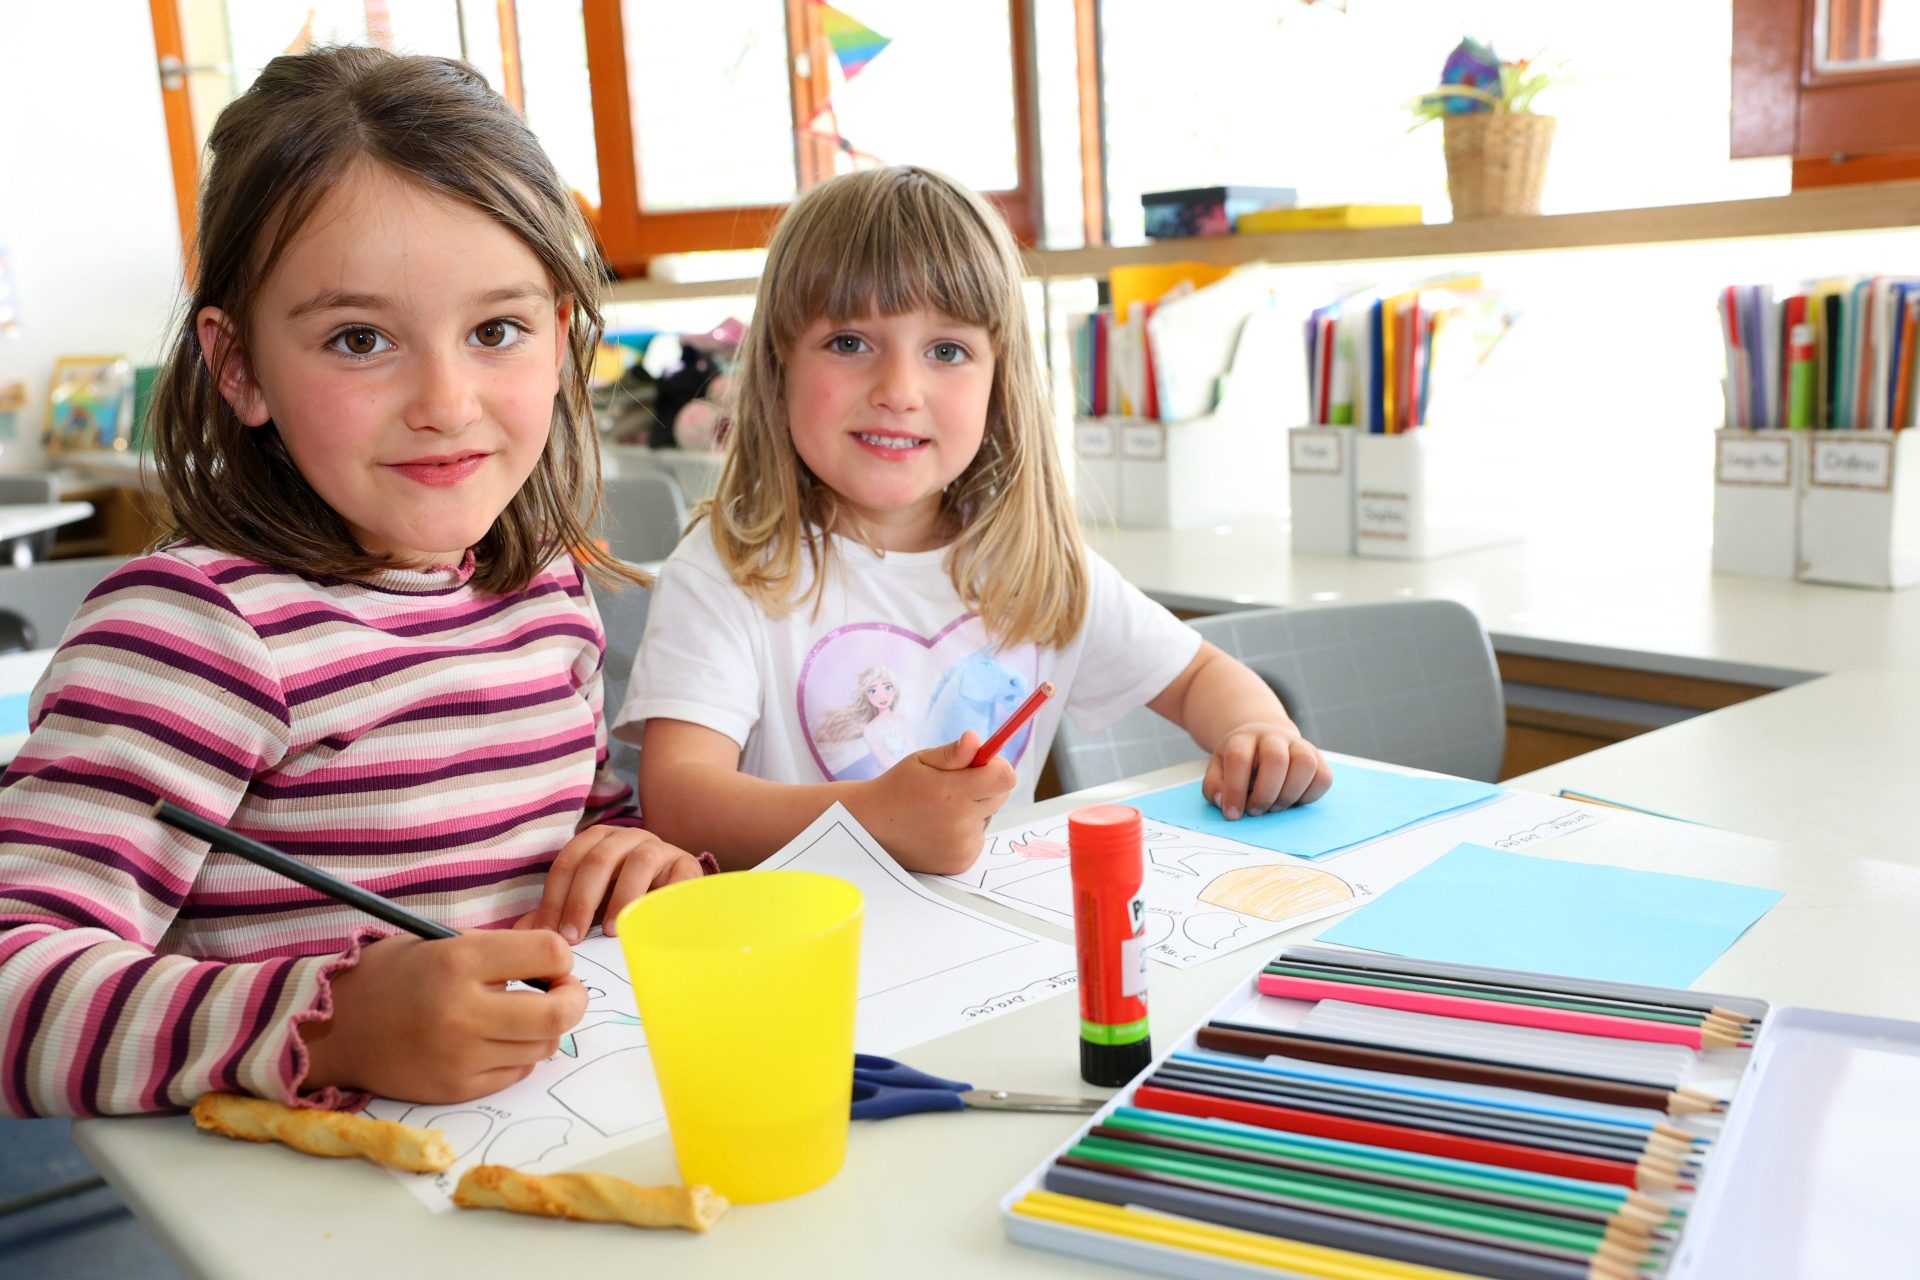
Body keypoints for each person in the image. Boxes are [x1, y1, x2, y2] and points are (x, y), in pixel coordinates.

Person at [0, 47, 704, 1119]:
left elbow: (572, 823)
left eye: (497, 330)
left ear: (561, 339)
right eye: (360, 338)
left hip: (553, 1142)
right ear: (239, 366)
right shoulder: (196, 632)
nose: (446, 402)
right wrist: (330, 1028)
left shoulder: (540, 589)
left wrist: (630, 855)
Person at [620, 166, 1332, 876]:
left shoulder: (1033, 565)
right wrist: (876, 818)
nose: (899, 390)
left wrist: (1257, 731)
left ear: (999, 384)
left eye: (947, 351)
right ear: (780, 366)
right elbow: (681, 805)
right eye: (849, 343)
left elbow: (1200, 675)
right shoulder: (724, 570)